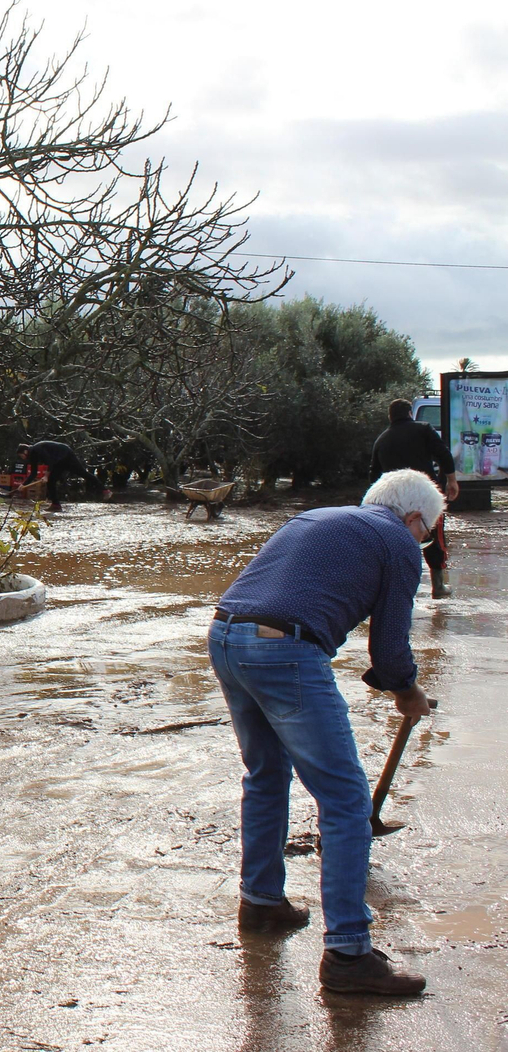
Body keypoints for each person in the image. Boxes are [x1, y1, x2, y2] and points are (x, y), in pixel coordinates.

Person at [208, 468, 441, 996]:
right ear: (412, 519)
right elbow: (390, 648)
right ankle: (349, 954)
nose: (422, 545)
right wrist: (407, 692)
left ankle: (262, 902)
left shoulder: (316, 517)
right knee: (345, 799)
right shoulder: (399, 543)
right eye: (425, 534)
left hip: (225, 636)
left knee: (266, 775)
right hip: (284, 649)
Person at [370, 397, 460, 598]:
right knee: (433, 538)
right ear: (410, 413)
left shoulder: (382, 439)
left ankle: (395, 589)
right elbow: (444, 454)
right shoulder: (423, 429)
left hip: (393, 502)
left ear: (390, 417)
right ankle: (438, 586)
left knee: (394, 542)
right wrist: (452, 481)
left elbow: (373, 476)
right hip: (423, 495)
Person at [15, 441, 112, 512]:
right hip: (58, 461)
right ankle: (56, 505)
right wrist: (23, 485)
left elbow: (50, 461)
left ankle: (105, 491)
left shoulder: (37, 449)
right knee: (51, 481)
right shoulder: (32, 456)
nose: (22, 458)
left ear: (25, 451)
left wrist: (46, 475)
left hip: (66, 455)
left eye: (21, 456)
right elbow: (33, 473)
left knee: (83, 473)